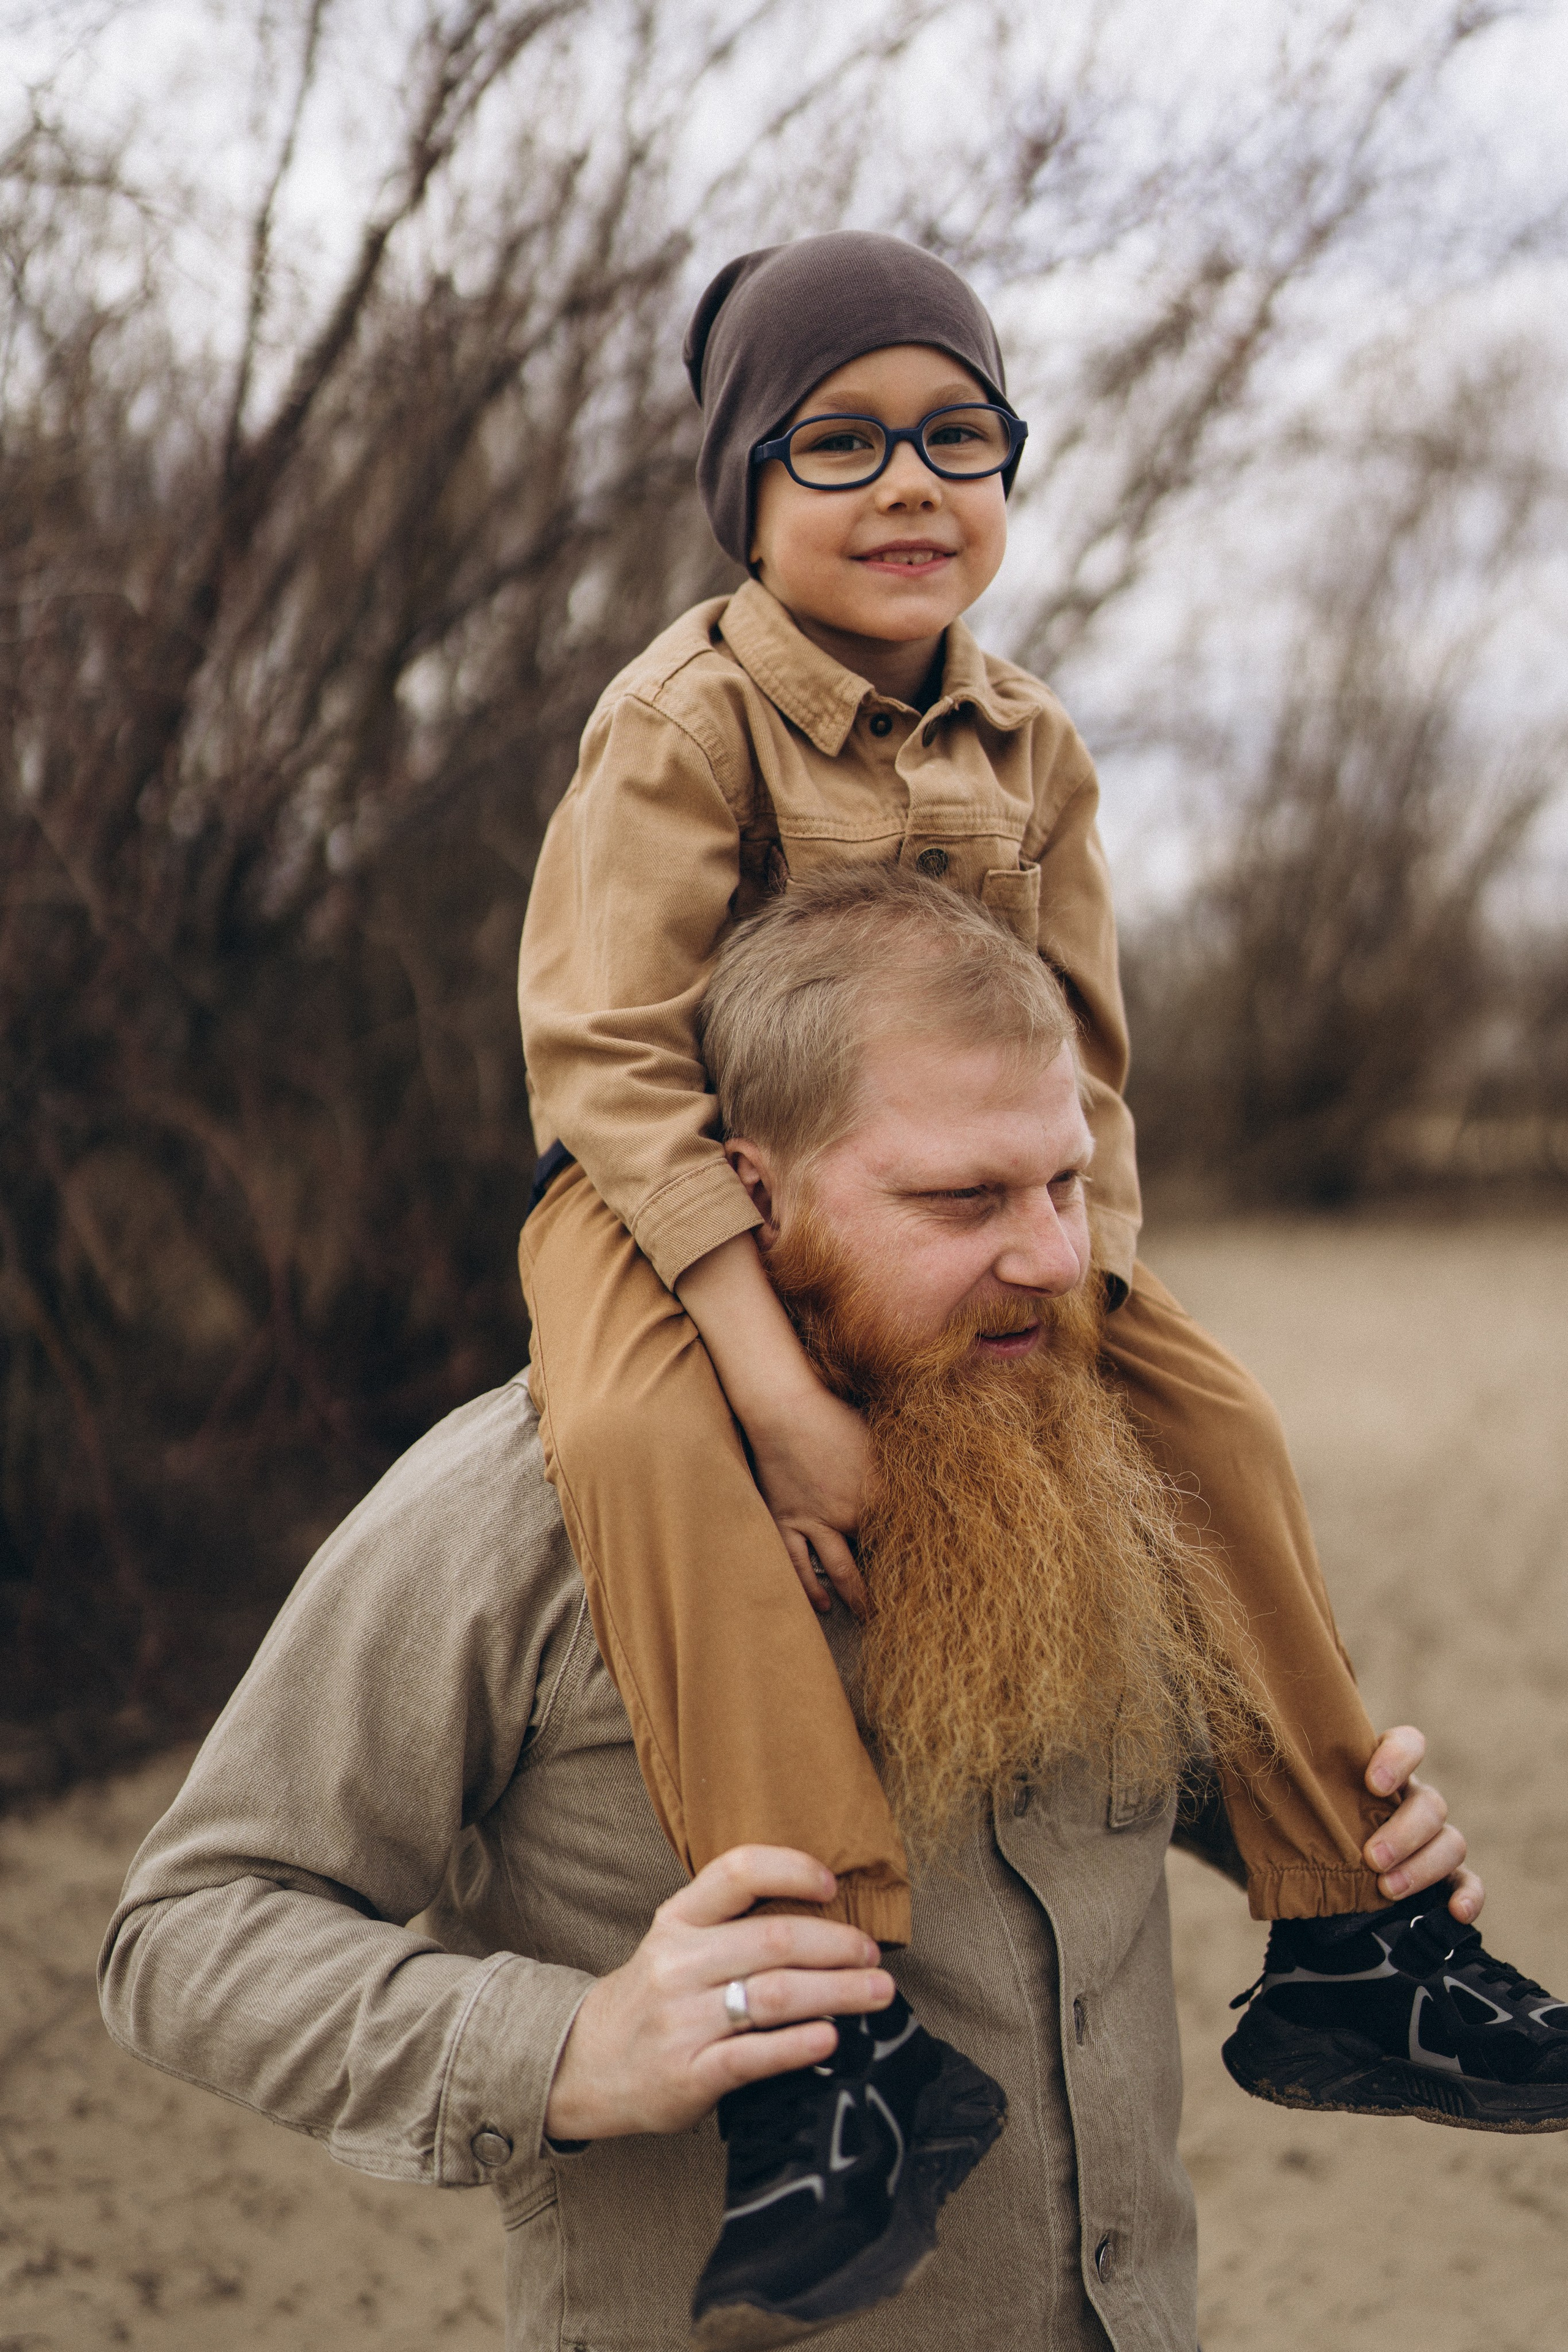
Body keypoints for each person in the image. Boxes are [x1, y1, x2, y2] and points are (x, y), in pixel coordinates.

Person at [512, 222, 1564, 2298]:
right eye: (841, 443)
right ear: (746, 490)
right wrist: (779, 1387)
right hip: (675, 1202)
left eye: (960, 434)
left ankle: (1359, 1934)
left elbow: (1088, 1076)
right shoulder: (688, 722)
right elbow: (604, 1065)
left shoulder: (1035, 745)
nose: (911, 482)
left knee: (1220, 1421)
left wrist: (1071, 1309)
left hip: (983, 1207)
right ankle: (836, 2045)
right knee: (639, 1454)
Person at [100, 872, 1555, 2352]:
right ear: (750, 1190)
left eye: (1061, 1182)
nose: (1052, 1258)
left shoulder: (1078, 1444)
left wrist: (1284, 1831)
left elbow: (1087, 1794)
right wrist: (566, 2049)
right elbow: (184, 1933)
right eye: (959, 1198)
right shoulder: (523, 1507)